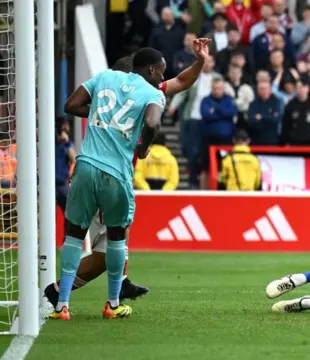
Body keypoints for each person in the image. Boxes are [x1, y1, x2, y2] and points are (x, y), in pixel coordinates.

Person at [43, 39, 212, 310]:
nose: (161, 79)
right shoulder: (148, 93)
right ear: (146, 71)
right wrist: (141, 144)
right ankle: (76, 293)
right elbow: (153, 121)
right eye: (158, 72)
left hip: (90, 168)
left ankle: (100, 289)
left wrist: (201, 61)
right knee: (106, 251)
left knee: (91, 240)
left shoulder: (114, 83)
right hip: (113, 173)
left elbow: (181, 81)